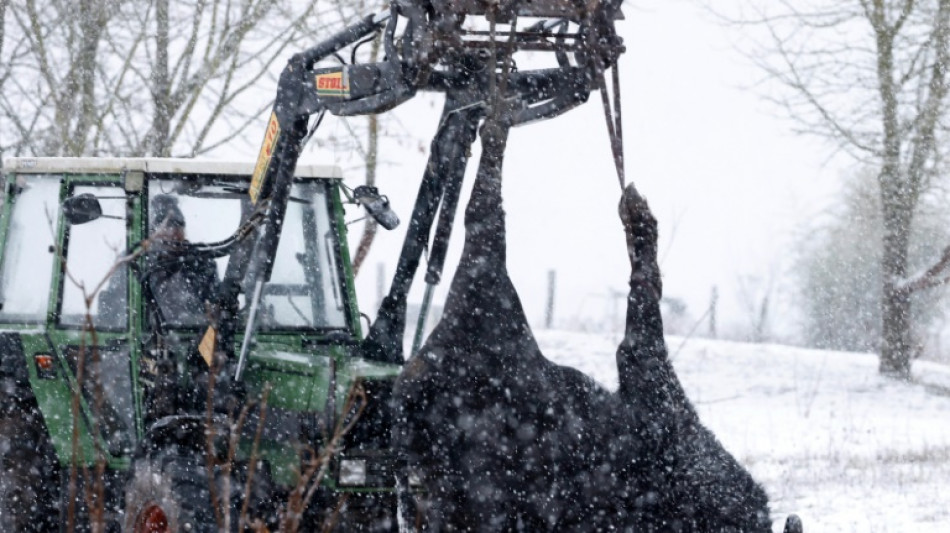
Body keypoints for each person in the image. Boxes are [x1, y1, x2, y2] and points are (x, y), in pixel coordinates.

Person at [146, 194, 219, 327]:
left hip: (192, 337)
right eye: (166, 227)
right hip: (148, 337)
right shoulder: (138, 263)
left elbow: (215, 308)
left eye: (178, 226)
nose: (173, 233)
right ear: (153, 232)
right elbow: (118, 308)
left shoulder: (200, 261)